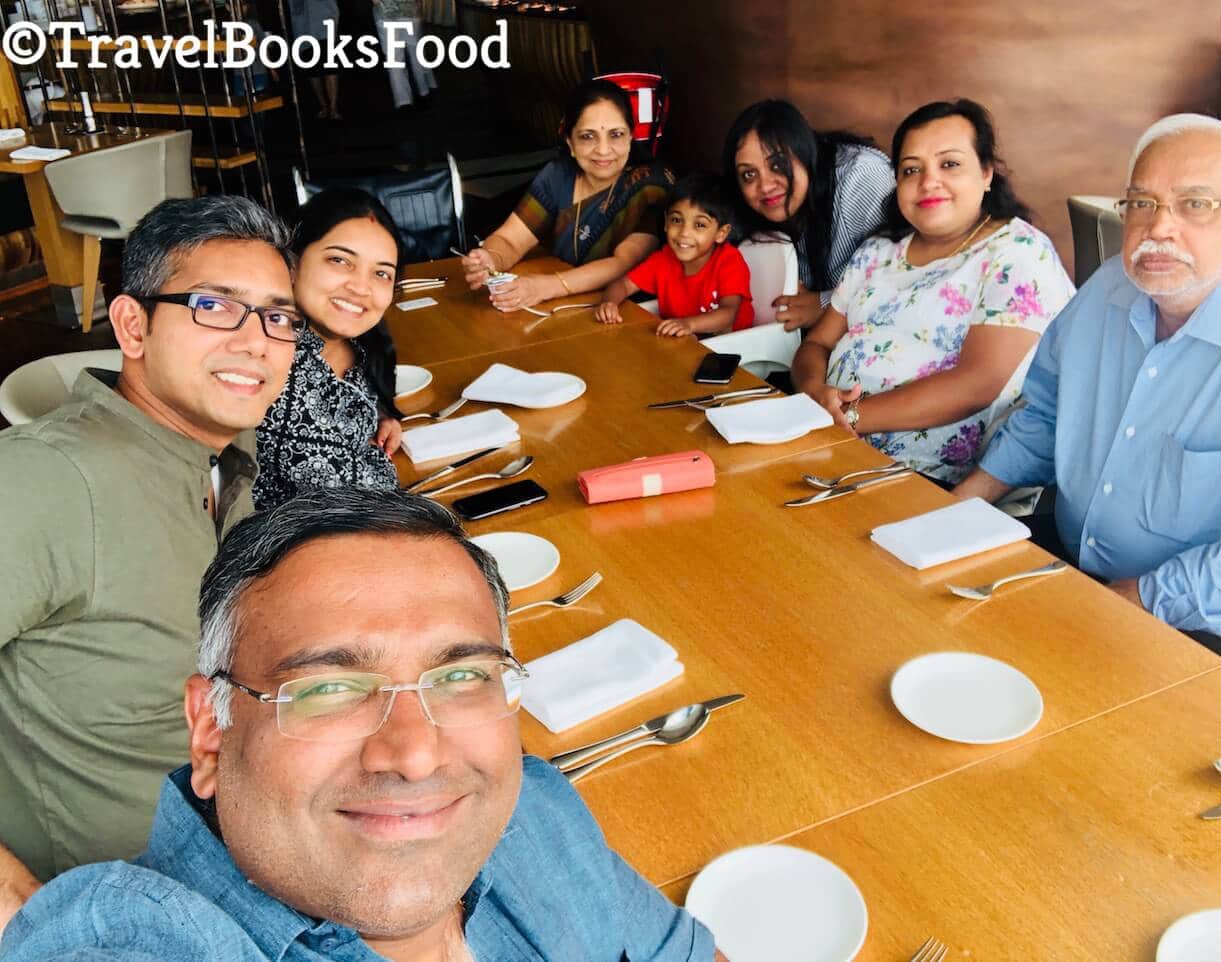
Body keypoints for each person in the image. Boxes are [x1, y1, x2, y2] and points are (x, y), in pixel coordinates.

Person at [0, 488, 729, 962]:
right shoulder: (133, 937)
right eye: (330, 688)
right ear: (210, 733)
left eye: (460, 675)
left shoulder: (534, 807)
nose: (414, 753)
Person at [0, 196, 298, 923]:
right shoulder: (46, 480)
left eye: (279, 317)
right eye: (214, 306)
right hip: (129, 906)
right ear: (133, 325)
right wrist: (19, 908)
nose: (257, 342)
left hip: (260, 845)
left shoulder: (228, 453)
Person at [952, 113, 1221, 645]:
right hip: (1064, 561)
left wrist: (1139, 599)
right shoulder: (1108, 289)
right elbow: (1046, 413)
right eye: (1142, 203)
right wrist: (962, 502)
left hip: (1194, 621)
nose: (1158, 229)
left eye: (1194, 204)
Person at [791, 99, 1075, 485]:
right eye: (911, 169)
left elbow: (977, 383)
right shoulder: (877, 252)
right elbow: (817, 343)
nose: (928, 182)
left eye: (950, 164)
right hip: (829, 445)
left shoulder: (1017, 252)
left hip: (926, 480)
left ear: (987, 173)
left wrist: (849, 416)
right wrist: (813, 393)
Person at [462, 78, 675, 314]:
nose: (603, 150)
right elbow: (511, 240)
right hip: (560, 308)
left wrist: (545, 287)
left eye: (615, 134)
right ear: (570, 142)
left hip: (622, 311)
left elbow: (624, 263)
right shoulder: (558, 177)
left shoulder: (648, 186)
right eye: (587, 136)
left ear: (630, 137)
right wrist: (489, 260)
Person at [254, 188, 405, 511]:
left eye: (381, 273)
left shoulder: (354, 344)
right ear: (292, 260)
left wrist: (376, 415)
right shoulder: (274, 362)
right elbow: (358, 503)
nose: (361, 287)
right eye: (340, 260)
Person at [723, 99, 896, 331]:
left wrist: (825, 304)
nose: (764, 186)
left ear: (805, 153)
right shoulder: (746, 213)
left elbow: (902, 276)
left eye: (777, 165)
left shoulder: (862, 179)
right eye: (748, 175)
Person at [595, 171, 754, 337]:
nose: (684, 233)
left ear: (721, 233)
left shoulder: (729, 261)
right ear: (666, 222)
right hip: (683, 339)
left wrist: (688, 324)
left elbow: (728, 314)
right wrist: (609, 303)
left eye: (699, 225)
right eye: (677, 220)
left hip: (730, 347)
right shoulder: (663, 259)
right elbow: (622, 285)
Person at [371, 0, 437, 110]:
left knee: (395, 59)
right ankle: (424, 90)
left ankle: (404, 100)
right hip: (410, 10)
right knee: (416, 54)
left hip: (385, 12)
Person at [288, 0, 342, 120]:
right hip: (304, 25)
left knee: (330, 67)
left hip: (326, 18)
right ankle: (323, 105)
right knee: (313, 71)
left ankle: (333, 107)